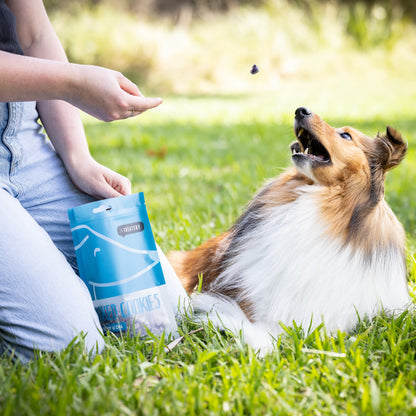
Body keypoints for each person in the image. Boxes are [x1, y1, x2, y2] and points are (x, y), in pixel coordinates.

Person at [0, 0, 164, 361]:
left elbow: (35, 32)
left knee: (159, 314)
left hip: (26, 134)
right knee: (74, 347)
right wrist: (73, 81)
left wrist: (78, 158)